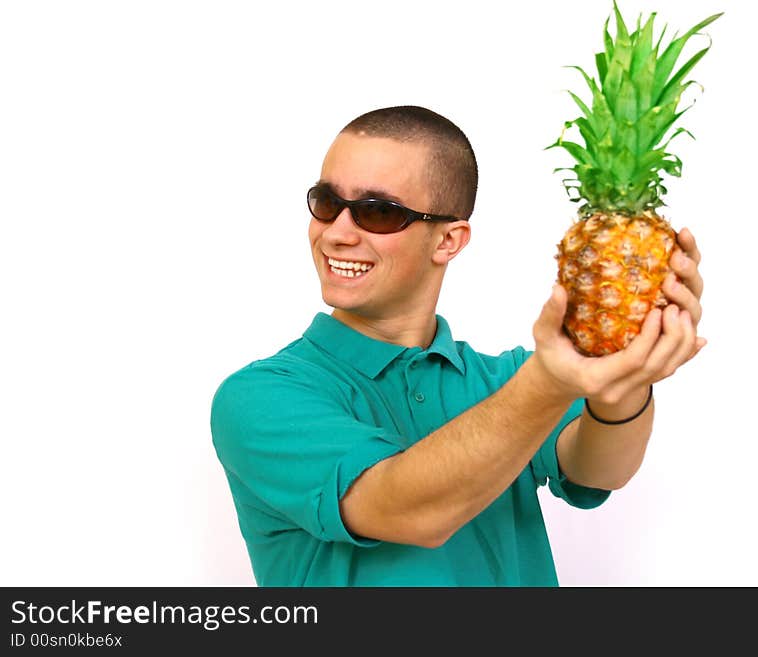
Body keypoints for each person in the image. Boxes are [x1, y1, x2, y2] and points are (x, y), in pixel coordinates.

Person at [210, 105, 705, 586]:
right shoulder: (260, 397)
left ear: (449, 240)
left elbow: (600, 468)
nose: (337, 233)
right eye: (326, 202)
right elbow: (408, 511)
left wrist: (628, 374)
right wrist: (548, 383)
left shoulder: (505, 379)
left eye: (377, 213)